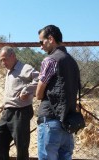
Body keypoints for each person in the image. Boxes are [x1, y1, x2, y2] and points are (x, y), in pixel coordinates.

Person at [36, 25, 80, 160]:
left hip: (50, 121)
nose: (41, 47)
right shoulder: (72, 61)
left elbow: (38, 93)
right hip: (68, 122)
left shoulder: (50, 60)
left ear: (50, 39)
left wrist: (40, 94)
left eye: (41, 42)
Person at [0, 46, 39, 160]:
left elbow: (39, 78)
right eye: (1, 60)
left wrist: (27, 91)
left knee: (21, 147)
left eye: (4, 59)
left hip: (21, 112)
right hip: (7, 112)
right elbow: (12, 91)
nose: (3, 63)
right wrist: (4, 104)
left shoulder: (24, 68)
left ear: (12, 56)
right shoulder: (9, 71)